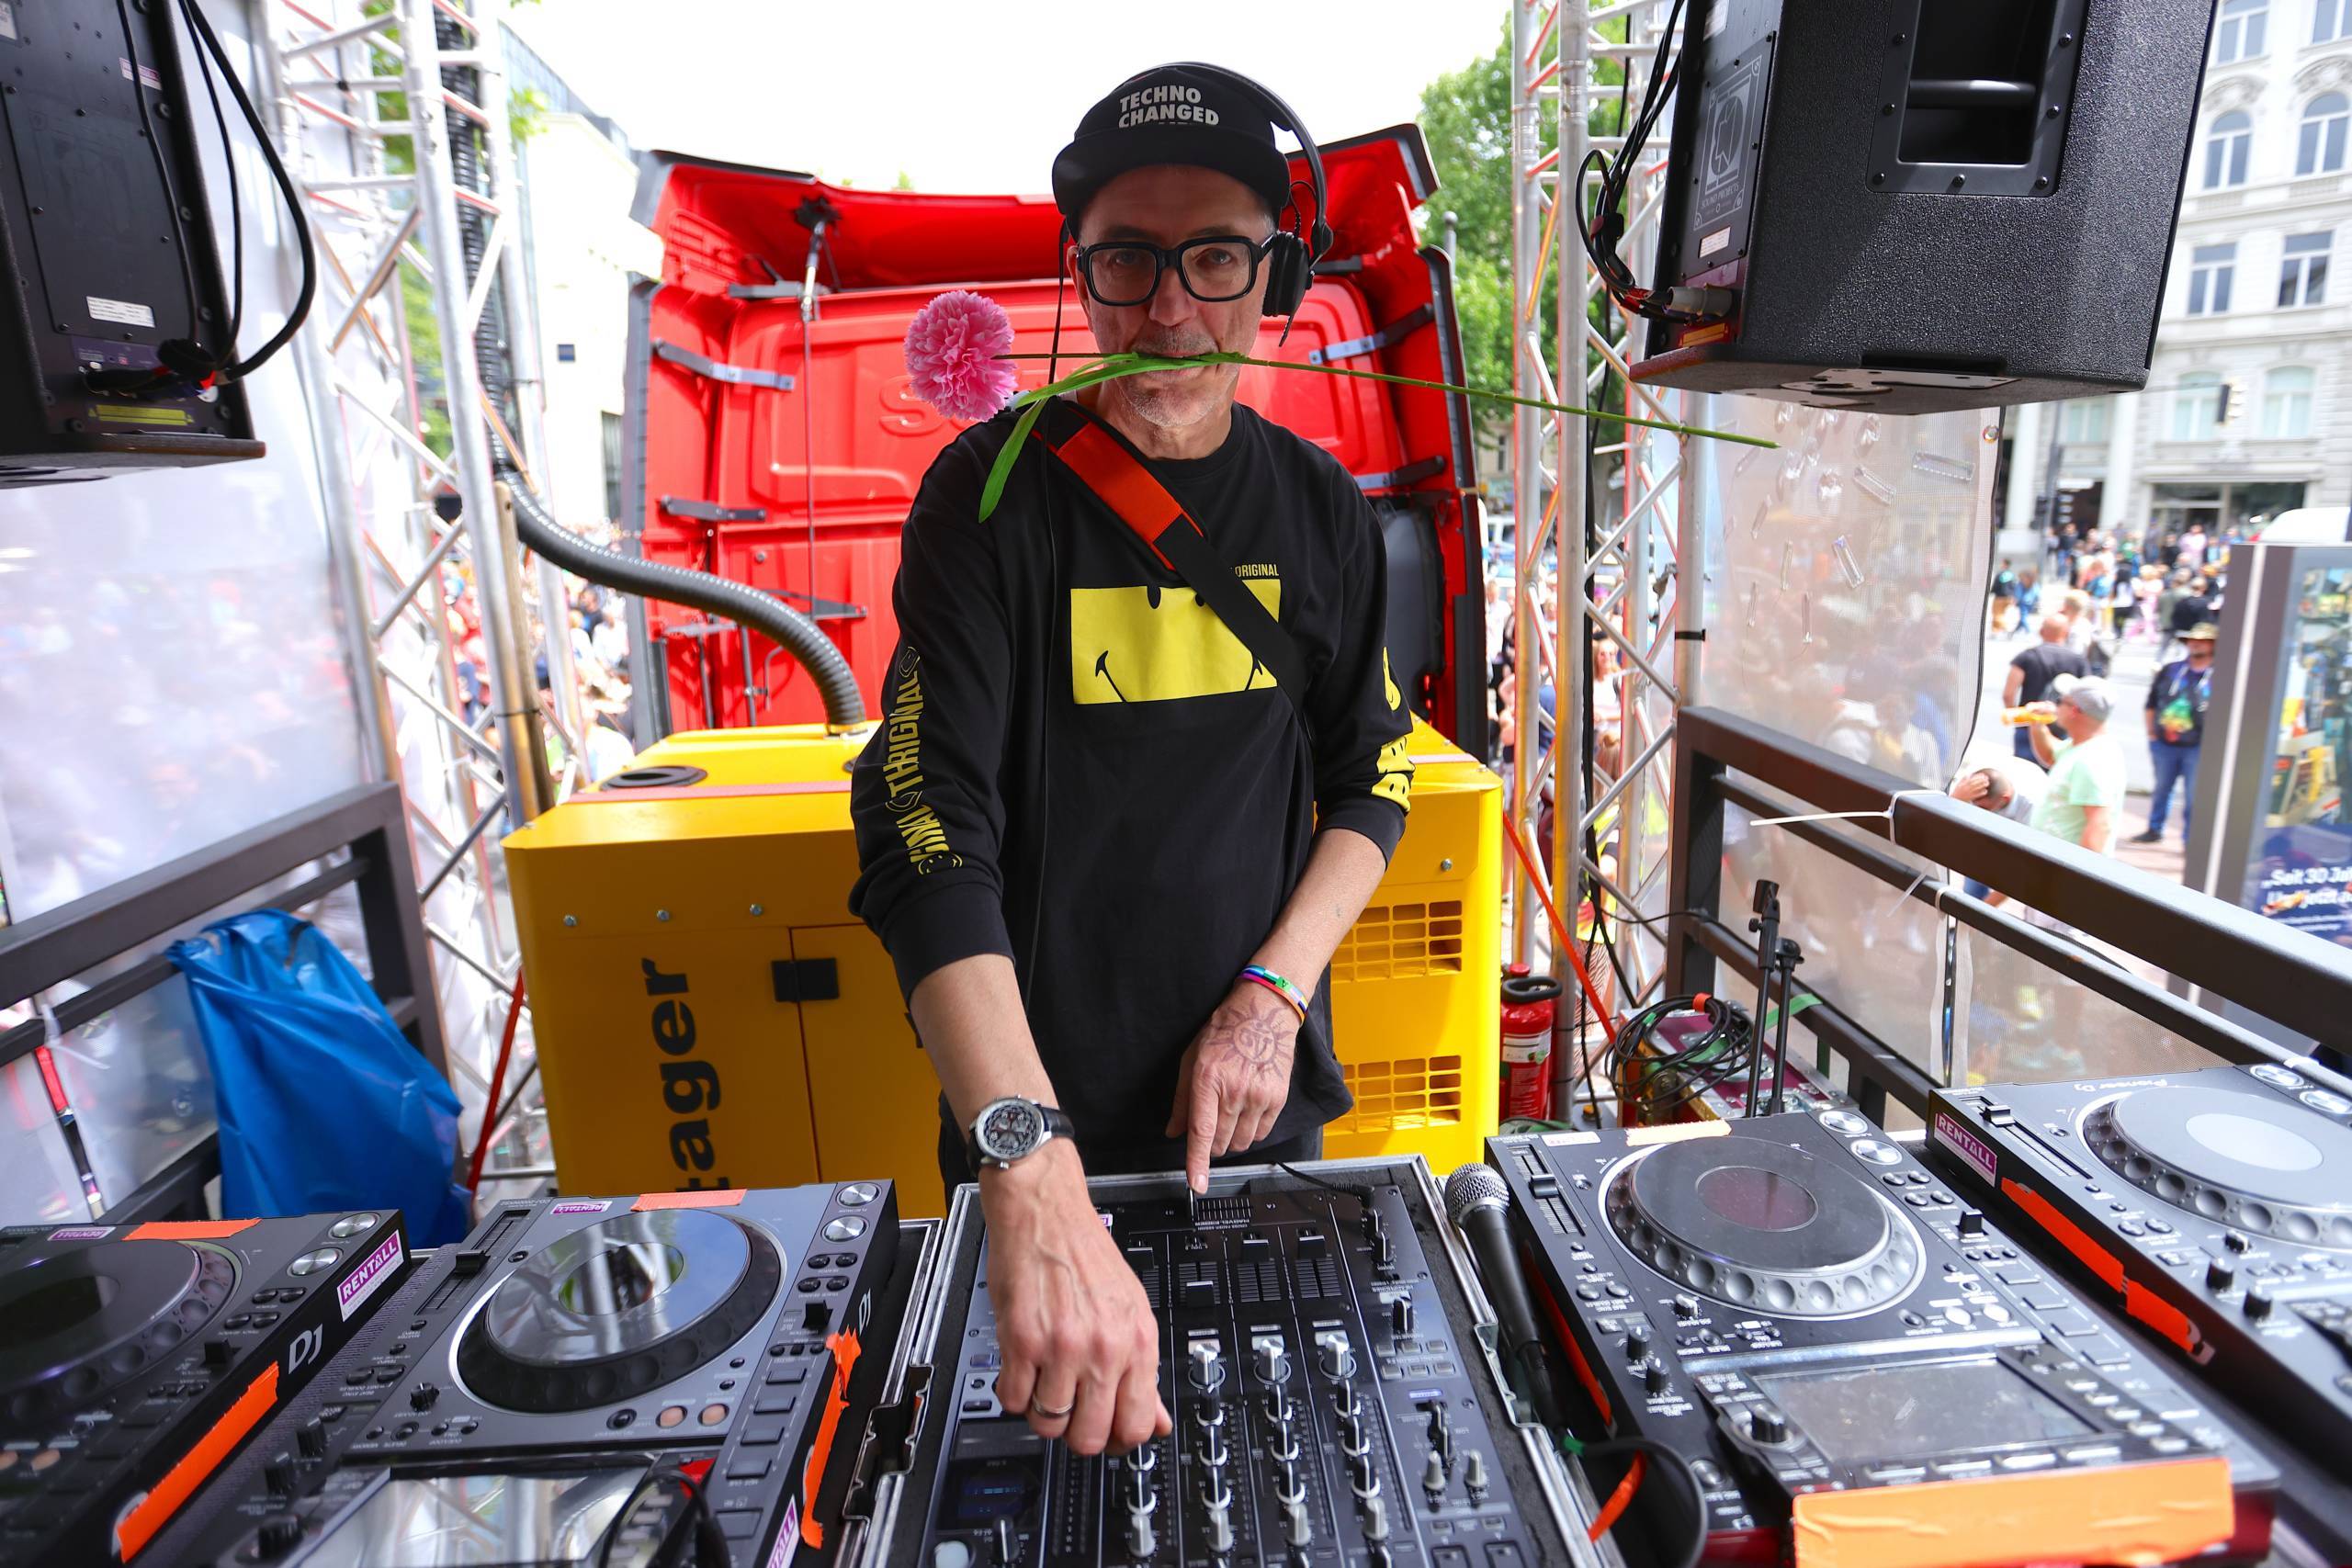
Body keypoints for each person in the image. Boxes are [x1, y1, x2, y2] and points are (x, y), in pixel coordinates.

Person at [847, 64, 1414, 1460]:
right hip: (1041, 1133)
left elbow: (1373, 776)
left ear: (1275, 274)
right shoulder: (986, 496)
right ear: (1081, 278)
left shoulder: (1323, 507)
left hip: (1259, 1119)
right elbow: (924, 821)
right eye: (1127, 260)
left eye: (1215, 256)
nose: (1170, 308)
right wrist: (1025, 1161)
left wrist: (1272, 998)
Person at [2020, 674, 2127, 859]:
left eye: (2060, 701)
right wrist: (2037, 723)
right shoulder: (2081, 746)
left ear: (2075, 710)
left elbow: (2099, 825)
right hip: (2049, 866)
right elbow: (2050, 755)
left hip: (2059, 871)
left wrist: (2078, 879)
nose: (2055, 706)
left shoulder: (2092, 760)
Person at [2135, 622, 2217, 845]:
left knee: (2193, 796)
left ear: (2212, 645)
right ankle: (2154, 828)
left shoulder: (2219, 675)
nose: (2195, 644)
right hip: (2165, 743)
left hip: (2197, 746)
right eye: (2192, 639)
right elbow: (2151, 702)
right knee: (2162, 789)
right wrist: (2152, 733)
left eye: (2202, 641)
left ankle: (2190, 840)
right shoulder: (2171, 670)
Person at [2005, 612, 2088, 761]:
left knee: (2025, 773)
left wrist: (2016, 718)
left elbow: (2009, 694)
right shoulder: (2078, 661)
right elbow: (2086, 697)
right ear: (2066, 632)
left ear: (2041, 632)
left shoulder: (2027, 657)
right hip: (2063, 728)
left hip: (2029, 724)